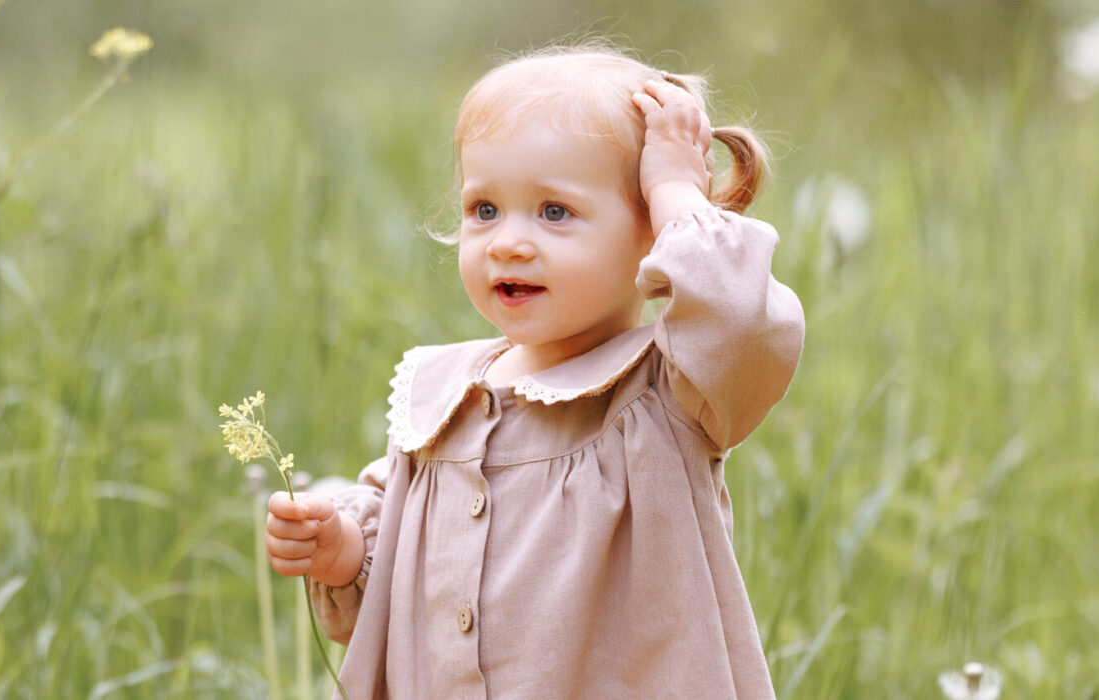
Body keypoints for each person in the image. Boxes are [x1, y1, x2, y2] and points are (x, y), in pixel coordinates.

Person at [265, 45, 805, 698]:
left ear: (649, 235)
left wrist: (674, 189)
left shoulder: (670, 394)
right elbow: (399, 581)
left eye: (555, 212)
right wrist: (342, 548)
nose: (508, 242)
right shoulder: (442, 399)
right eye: (484, 209)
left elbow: (741, 318)